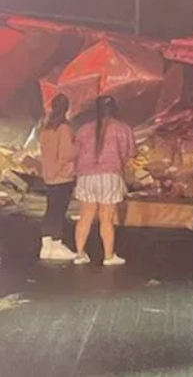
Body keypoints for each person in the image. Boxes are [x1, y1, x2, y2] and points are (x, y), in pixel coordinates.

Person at [72, 96, 135, 266]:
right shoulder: (123, 129)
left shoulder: (84, 129)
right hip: (110, 176)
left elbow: (75, 153)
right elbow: (129, 154)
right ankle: (108, 256)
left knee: (85, 216)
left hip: (86, 177)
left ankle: (79, 254)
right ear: (114, 109)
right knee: (106, 218)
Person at [38, 94, 77, 261]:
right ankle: (56, 244)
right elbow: (67, 154)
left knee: (51, 209)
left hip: (49, 176)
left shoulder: (45, 129)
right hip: (62, 176)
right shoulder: (64, 128)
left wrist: (50, 171)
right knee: (59, 210)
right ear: (66, 108)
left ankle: (46, 245)